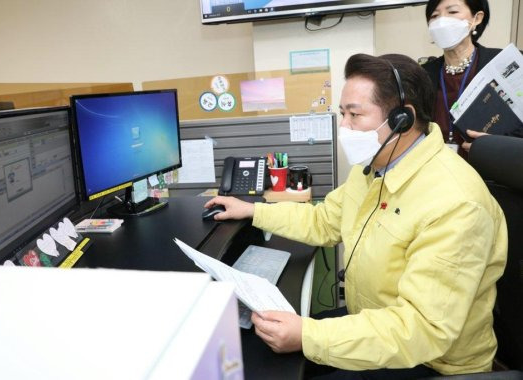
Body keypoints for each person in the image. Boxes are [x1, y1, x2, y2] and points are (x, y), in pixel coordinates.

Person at [205, 53, 507, 379]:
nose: (344, 126)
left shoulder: (456, 202)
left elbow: (423, 329)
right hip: (376, 322)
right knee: (261, 353)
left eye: (355, 115)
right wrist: (253, 211)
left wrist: (307, 335)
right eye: (342, 113)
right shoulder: (373, 170)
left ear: (402, 119)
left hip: (432, 360)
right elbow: (325, 221)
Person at [422, 0, 523, 157]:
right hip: (438, 172)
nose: (441, 21)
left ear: (477, 18)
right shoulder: (423, 74)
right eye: (434, 15)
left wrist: (499, 145)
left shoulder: (505, 61)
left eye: (452, 12)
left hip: (492, 173)